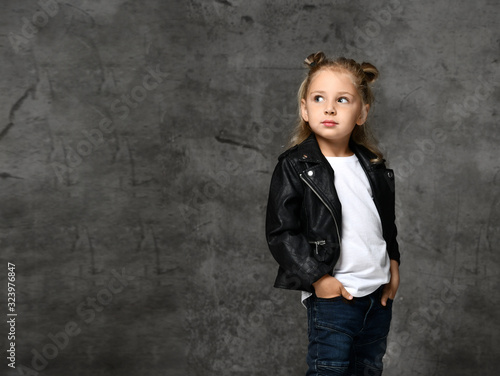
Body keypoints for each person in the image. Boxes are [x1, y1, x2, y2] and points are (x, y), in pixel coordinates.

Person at [265, 51, 401, 376]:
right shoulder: (295, 166)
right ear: (304, 109)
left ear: (362, 112)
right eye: (318, 98)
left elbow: (385, 222)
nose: (329, 107)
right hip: (335, 298)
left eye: (342, 99)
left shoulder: (373, 166)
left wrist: (393, 264)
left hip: (378, 296)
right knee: (330, 371)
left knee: (368, 370)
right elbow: (281, 233)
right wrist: (318, 279)